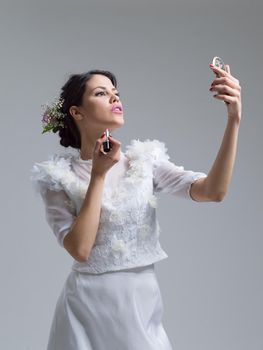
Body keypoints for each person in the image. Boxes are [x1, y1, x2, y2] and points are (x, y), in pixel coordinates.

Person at [30, 66, 242, 350]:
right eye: (101, 93)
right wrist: (98, 175)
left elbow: (213, 191)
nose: (115, 98)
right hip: (84, 307)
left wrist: (234, 119)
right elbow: (80, 249)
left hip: (140, 304)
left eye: (116, 93)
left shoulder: (144, 163)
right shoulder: (57, 176)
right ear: (77, 113)